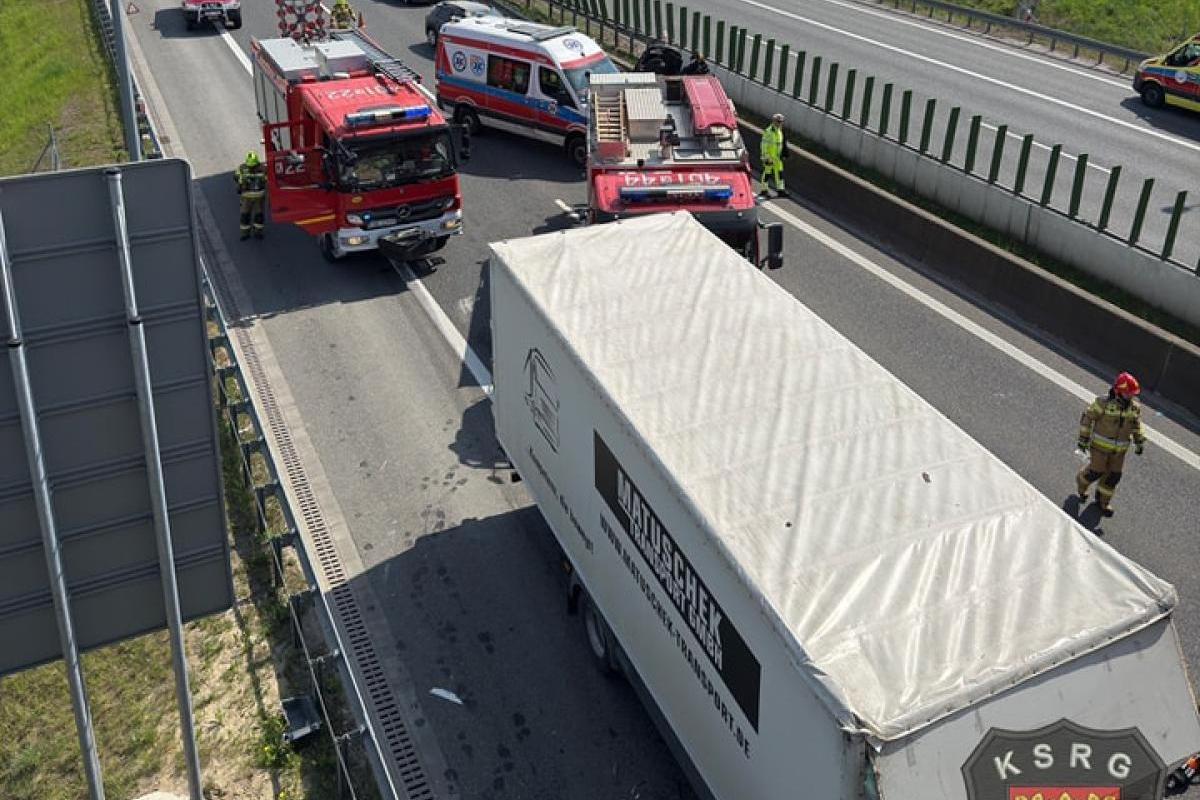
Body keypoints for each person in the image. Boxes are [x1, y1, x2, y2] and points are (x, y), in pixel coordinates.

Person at [1076, 372, 1146, 517]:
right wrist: (1083, 439)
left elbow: (1136, 425)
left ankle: (1103, 502)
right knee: (1095, 472)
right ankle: (1081, 483)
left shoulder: (1134, 408)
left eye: (1132, 394)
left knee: (1113, 477)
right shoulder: (1103, 403)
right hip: (1099, 449)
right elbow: (1088, 418)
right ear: (1118, 391)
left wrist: (1139, 441)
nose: (1130, 397)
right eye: (1128, 394)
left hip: (1119, 452)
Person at [235, 151, 267, 240]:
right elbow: (236, 177)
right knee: (245, 216)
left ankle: (257, 232)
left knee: (258, 216)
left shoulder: (262, 168)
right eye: (250, 166)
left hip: (256, 197)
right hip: (248, 197)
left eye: (253, 166)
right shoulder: (242, 168)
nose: (252, 168)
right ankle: (245, 233)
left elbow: (267, 179)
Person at [758, 113, 786, 198]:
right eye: (778, 122)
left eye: (781, 122)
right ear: (773, 121)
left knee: (780, 173)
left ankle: (781, 190)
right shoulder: (769, 131)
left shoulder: (779, 131)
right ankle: (764, 190)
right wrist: (766, 157)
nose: (780, 123)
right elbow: (764, 145)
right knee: (767, 174)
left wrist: (782, 154)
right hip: (769, 157)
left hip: (777, 158)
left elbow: (780, 144)